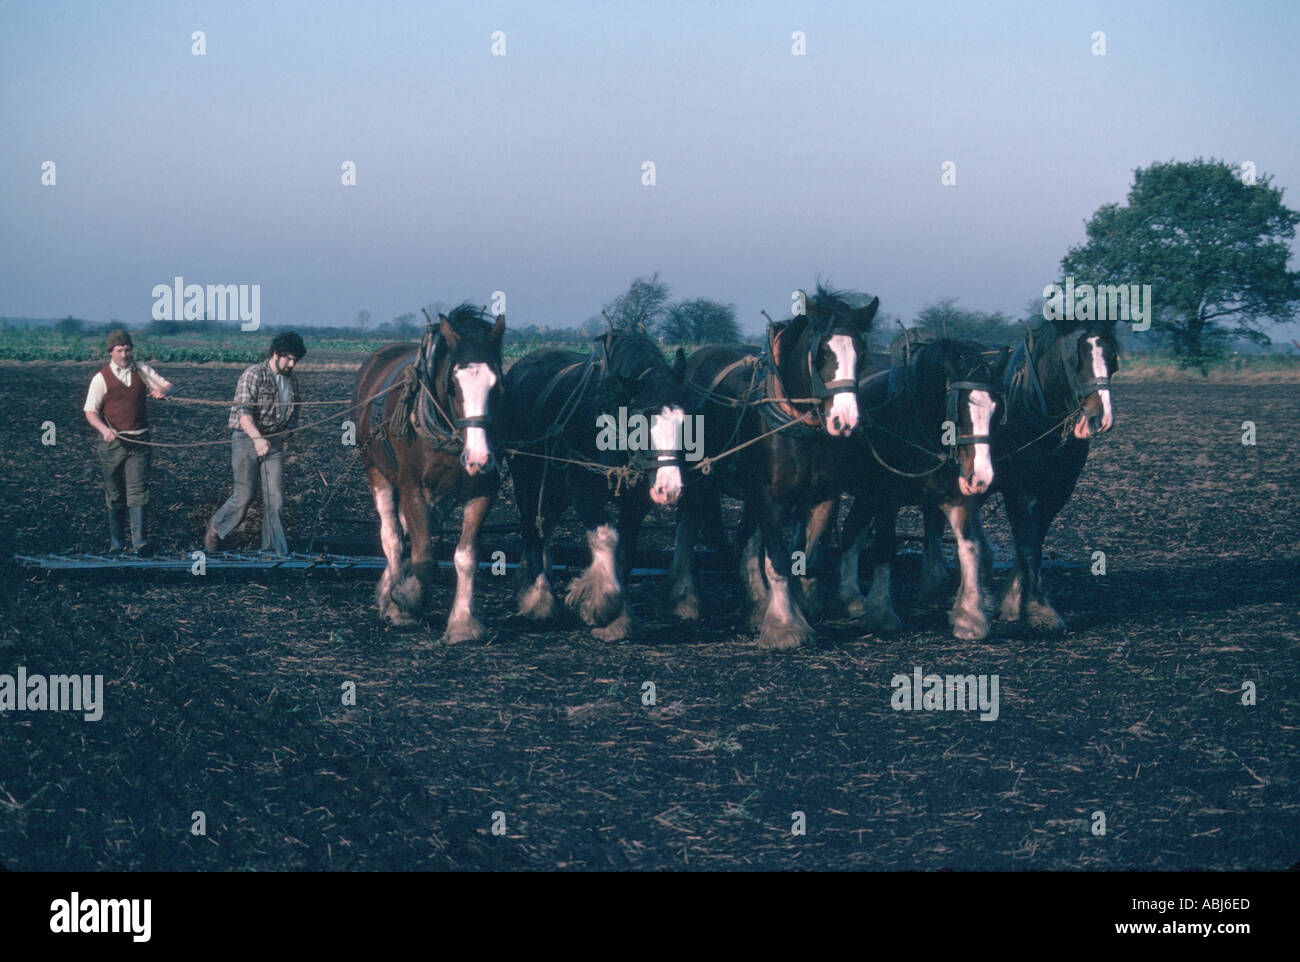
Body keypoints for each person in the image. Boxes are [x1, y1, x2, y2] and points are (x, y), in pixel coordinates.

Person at [204, 332, 306, 557]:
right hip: (246, 439)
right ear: (275, 354)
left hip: (274, 442)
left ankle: (273, 550)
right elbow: (243, 414)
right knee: (244, 497)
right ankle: (215, 530)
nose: (292, 364)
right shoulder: (253, 375)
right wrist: (258, 439)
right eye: (288, 358)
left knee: (275, 500)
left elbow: (294, 409)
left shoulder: (292, 380)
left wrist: (288, 431)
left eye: (295, 360)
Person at [83, 329, 174, 555]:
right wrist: (104, 430)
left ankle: (140, 542)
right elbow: (90, 411)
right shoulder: (101, 378)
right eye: (119, 351)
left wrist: (161, 391)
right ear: (111, 353)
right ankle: (116, 543)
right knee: (114, 493)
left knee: (138, 491)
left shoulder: (142, 370)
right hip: (113, 444)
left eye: (127, 350)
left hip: (140, 442)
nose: (124, 355)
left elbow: (166, 385)